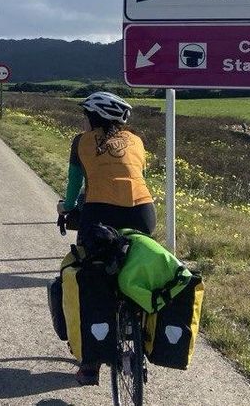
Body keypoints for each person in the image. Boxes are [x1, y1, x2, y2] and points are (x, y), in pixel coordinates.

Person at [57, 91, 156, 386]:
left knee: (93, 275)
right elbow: (136, 174)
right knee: (134, 258)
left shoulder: (81, 142)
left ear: (94, 117)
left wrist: (68, 207)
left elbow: (75, 185)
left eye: (86, 117)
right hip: (143, 214)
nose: (84, 122)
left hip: (99, 213)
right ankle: (135, 322)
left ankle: (90, 365)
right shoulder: (137, 141)